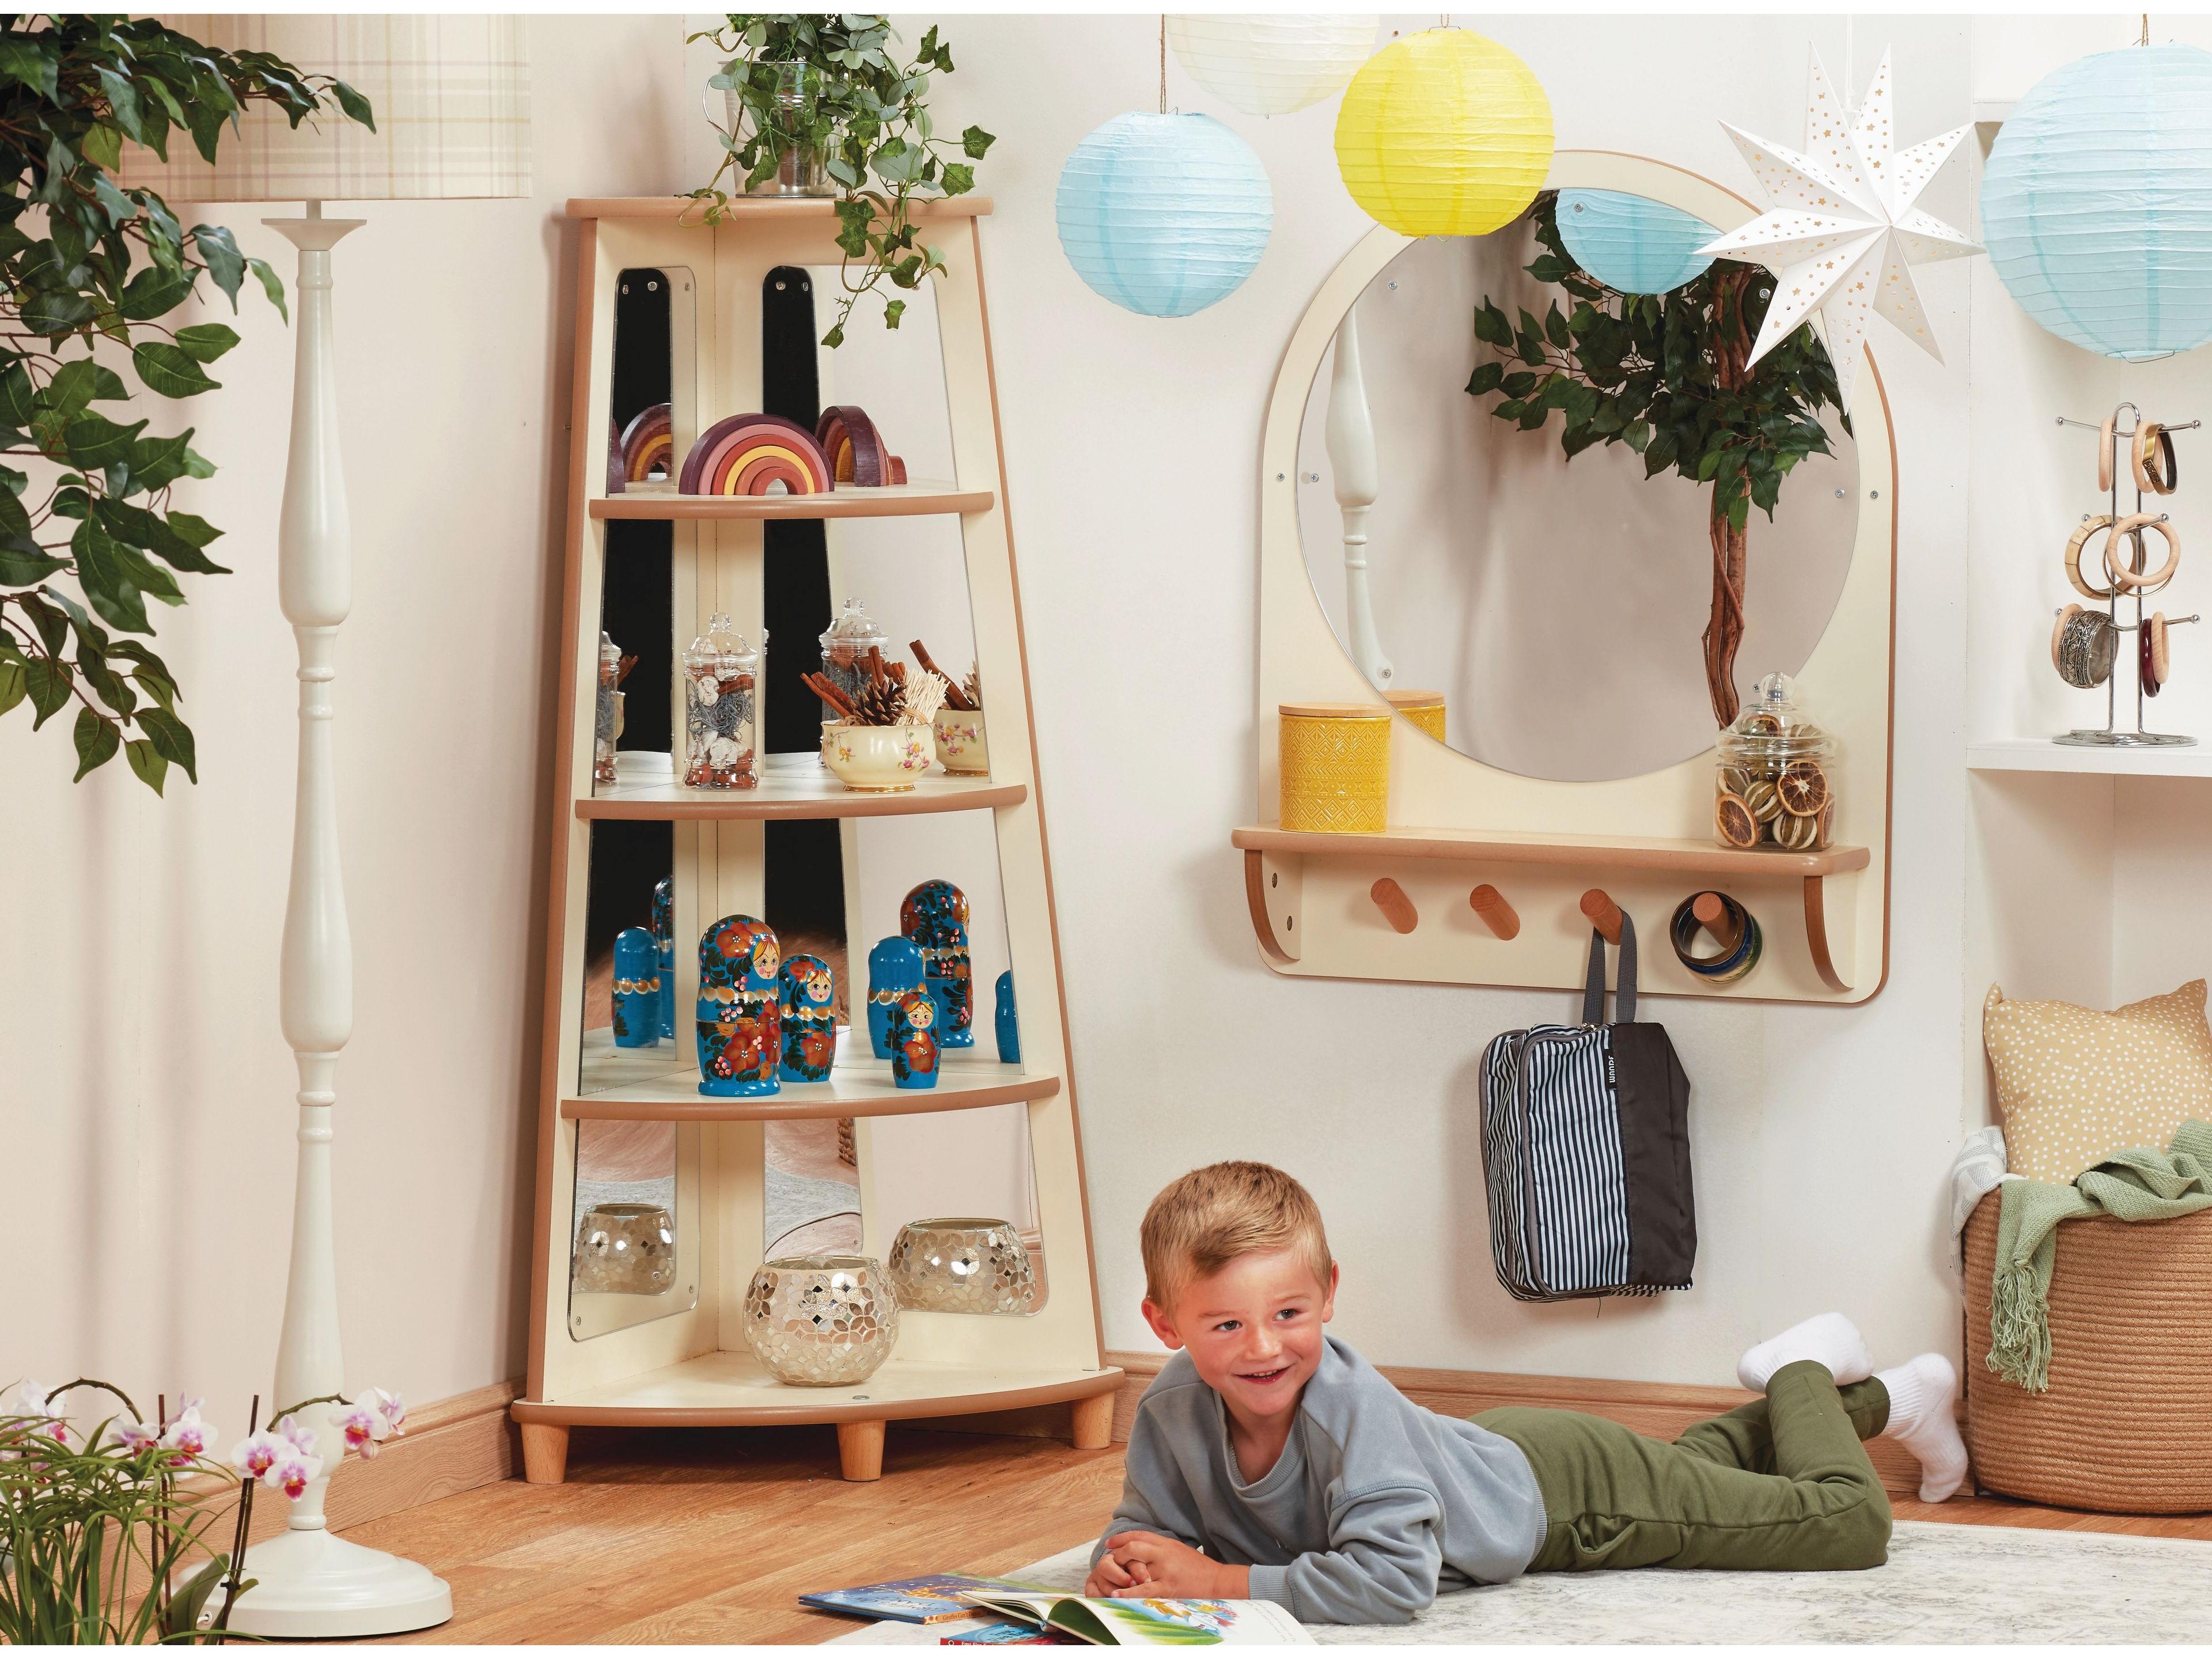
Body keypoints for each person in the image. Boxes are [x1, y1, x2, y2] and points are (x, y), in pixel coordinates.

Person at [1086, 1161, 1967, 1625]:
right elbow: (1146, 1518)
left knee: (1843, 1522)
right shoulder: (1170, 1407)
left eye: (1288, 1312)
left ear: (1329, 1294)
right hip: (1493, 1456)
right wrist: (1125, 1556)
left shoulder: (1349, 1413)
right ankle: (1896, 1401)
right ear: (1166, 1326)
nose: (1265, 1347)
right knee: (1702, 1470)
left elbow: (1395, 1584)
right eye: (1225, 1326)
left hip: (1570, 1503)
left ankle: (1802, 1369)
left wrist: (1223, 1582)